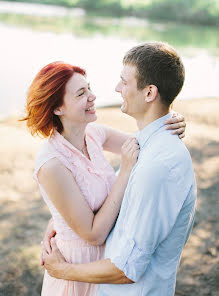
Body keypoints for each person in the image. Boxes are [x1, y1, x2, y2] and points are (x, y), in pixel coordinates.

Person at [42, 42, 196, 296]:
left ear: (149, 93)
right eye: (81, 93)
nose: (116, 89)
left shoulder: (157, 165)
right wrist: (62, 219)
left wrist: (61, 270)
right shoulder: (143, 146)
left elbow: (126, 269)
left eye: (123, 82)